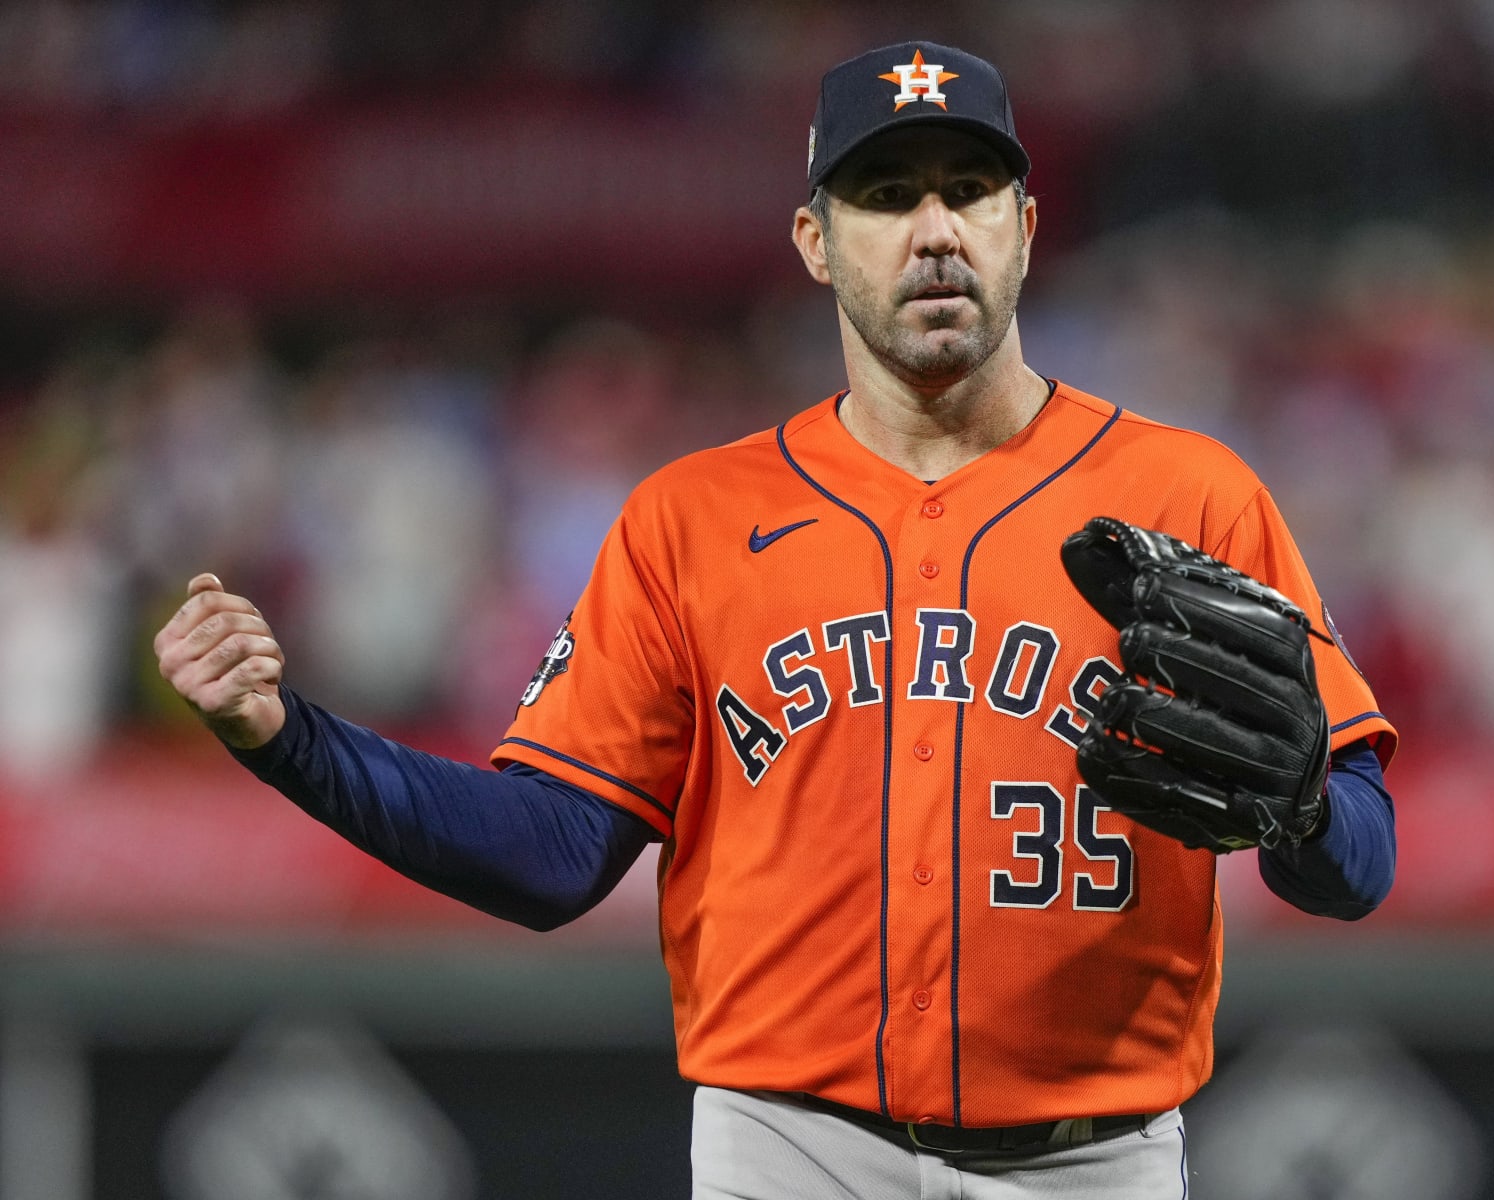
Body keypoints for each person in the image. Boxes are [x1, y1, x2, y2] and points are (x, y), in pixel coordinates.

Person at [155, 40, 1397, 1200]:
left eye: (968, 189)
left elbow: (1360, 859)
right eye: (885, 194)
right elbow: (547, 855)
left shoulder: (1190, 496)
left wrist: (1302, 812)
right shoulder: (692, 519)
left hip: (1097, 1160)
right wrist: (290, 739)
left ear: (1024, 226)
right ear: (815, 239)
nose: (933, 233)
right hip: (787, 1149)